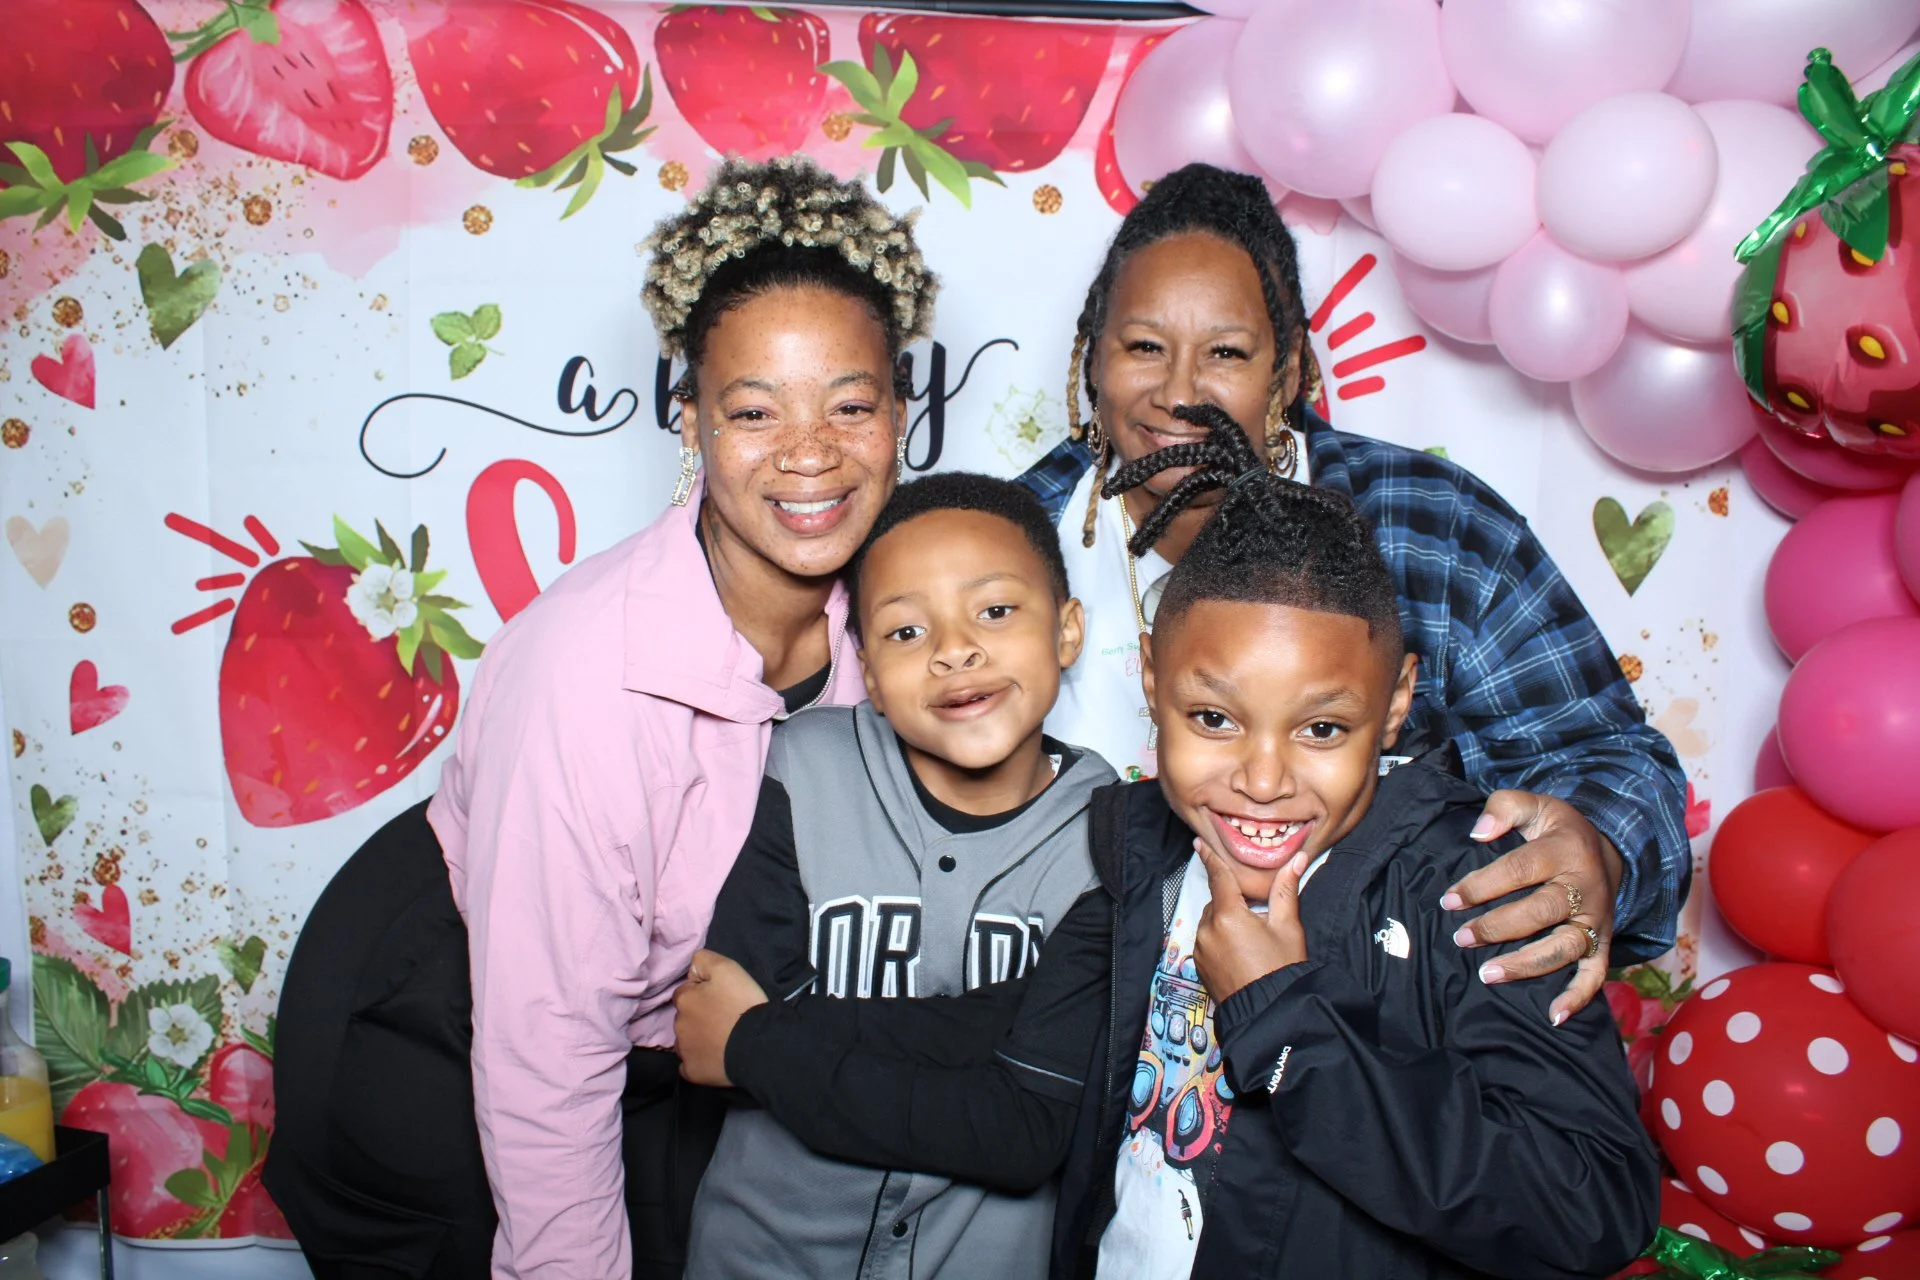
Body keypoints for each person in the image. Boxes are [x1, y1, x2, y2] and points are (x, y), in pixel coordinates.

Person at [263, 155, 938, 1279]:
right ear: (690, 423)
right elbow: (545, 1048)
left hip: (658, 1042)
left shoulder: (893, 627)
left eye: (851, 405)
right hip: (447, 1024)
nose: (810, 451)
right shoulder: (583, 674)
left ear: (901, 416)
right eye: (754, 409)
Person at [1019, 163, 1689, 1016]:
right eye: (1143, 346)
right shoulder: (1011, 540)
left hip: (1360, 1038)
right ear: (1092, 355)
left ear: (1289, 368)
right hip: (1077, 1040)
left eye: (1226, 353)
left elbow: (1611, 759)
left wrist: (1599, 846)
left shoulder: (1434, 528)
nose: (1179, 393)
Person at [1052, 410, 1660, 1278]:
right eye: (1214, 719)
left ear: (1398, 700)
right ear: (1151, 678)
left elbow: (1595, 1203)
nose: (1263, 780)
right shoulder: (1140, 845)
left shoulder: (1475, 890)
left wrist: (1288, 1028)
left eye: (1323, 729)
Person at [673, 473, 1116, 1278]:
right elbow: (717, 1034)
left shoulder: (1114, 837)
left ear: (1067, 630)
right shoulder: (801, 769)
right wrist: (991, 1050)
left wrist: (763, 1044)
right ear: (868, 672)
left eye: (995, 611)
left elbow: (1031, 1121)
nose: (955, 649)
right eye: (906, 631)